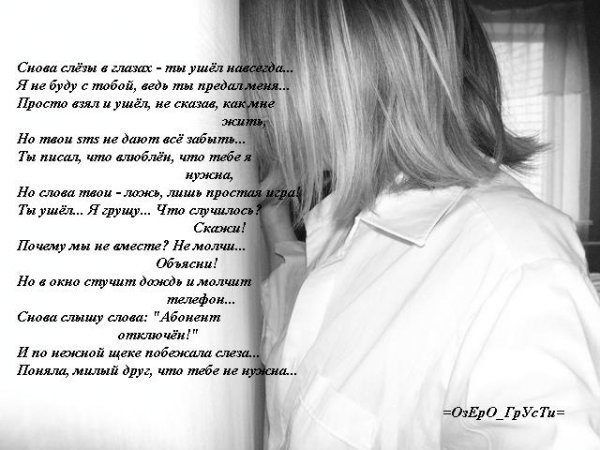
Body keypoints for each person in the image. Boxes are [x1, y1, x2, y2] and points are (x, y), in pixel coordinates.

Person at [240, 0, 600, 448]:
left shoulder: (516, 267)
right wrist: (273, 211)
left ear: (331, 76)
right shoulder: (344, 226)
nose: (255, 112)